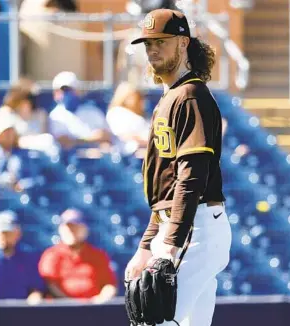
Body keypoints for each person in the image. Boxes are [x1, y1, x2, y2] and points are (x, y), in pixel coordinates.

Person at [125, 9, 232, 326]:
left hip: (193, 228)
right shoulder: (172, 96)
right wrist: (147, 244)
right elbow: (167, 188)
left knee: (152, 321)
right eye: (148, 43)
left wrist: (170, 244)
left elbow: (191, 178)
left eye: (161, 40)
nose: (152, 49)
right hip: (186, 226)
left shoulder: (190, 96)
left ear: (183, 43)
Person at [38, 209, 118, 302]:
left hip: (94, 310)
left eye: (76, 227)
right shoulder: (52, 254)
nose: (72, 231)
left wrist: (102, 299)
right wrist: (71, 304)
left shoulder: (98, 255)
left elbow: (109, 285)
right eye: (68, 227)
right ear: (61, 229)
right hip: (61, 310)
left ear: (85, 229)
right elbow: (50, 284)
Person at [49, 71, 113, 150]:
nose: (64, 94)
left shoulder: (92, 111)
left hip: (96, 157)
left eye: (68, 90)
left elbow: (105, 135)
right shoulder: (55, 116)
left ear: (77, 91)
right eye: (60, 91)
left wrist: (77, 141)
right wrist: (91, 139)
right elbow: (64, 141)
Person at [0, 210, 45, 304]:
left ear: (18, 233)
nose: (3, 236)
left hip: (22, 313)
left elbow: (36, 289)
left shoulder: (29, 259)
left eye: (8, 232)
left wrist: (33, 301)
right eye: (1, 232)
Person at [106, 81, 150, 148]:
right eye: (136, 97)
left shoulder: (142, 115)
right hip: (130, 154)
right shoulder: (116, 113)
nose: (140, 101)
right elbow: (121, 136)